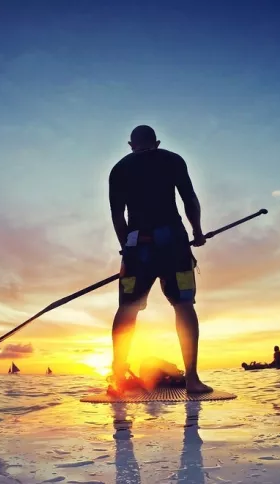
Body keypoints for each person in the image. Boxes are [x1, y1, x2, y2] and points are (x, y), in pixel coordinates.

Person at [108, 125, 212, 394]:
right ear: (156, 142)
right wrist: (197, 232)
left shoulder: (119, 168)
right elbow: (189, 199)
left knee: (127, 308)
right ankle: (192, 379)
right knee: (184, 305)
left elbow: (117, 216)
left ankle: (118, 378)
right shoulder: (172, 159)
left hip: (137, 245)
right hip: (174, 244)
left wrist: (126, 249)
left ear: (131, 144)